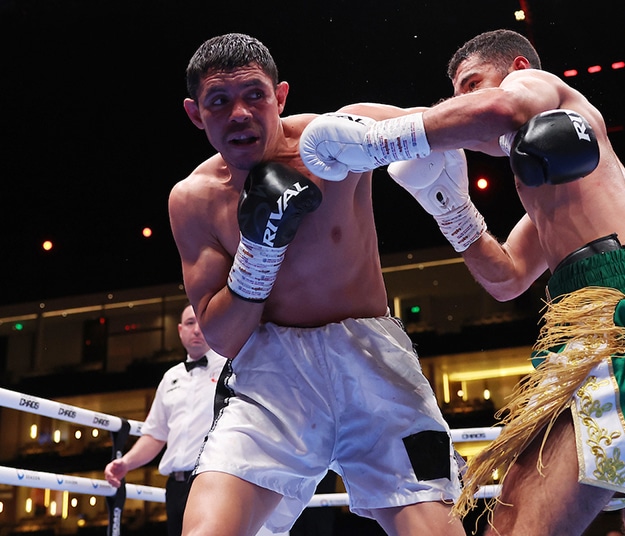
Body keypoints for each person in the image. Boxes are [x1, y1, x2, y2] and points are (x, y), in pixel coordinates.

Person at [299, 28, 625, 536]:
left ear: (513, 70)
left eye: (472, 85)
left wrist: (384, 136)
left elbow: (500, 111)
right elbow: (506, 277)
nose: (465, 103)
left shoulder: (541, 87)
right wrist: (450, 207)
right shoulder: (554, 184)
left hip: (623, 324)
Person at [167, 33, 465, 536]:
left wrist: (530, 112)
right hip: (273, 379)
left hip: (375, 366)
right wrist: (258, 251)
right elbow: (222, 337)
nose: (239, 113)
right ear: (197, 114)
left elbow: (450, 127)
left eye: (254, 95)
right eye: (219, 101)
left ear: (280, 97)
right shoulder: (193, 199)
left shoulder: (337, 139)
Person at [104, 303, 228, 536]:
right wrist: (126, 463)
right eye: (190, 323)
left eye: (202, 322)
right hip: (175, 486)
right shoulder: (170, 377)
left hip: (212, 480)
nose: (197, 330)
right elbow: (155, 434)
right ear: (180, 330)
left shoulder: (230, 368)